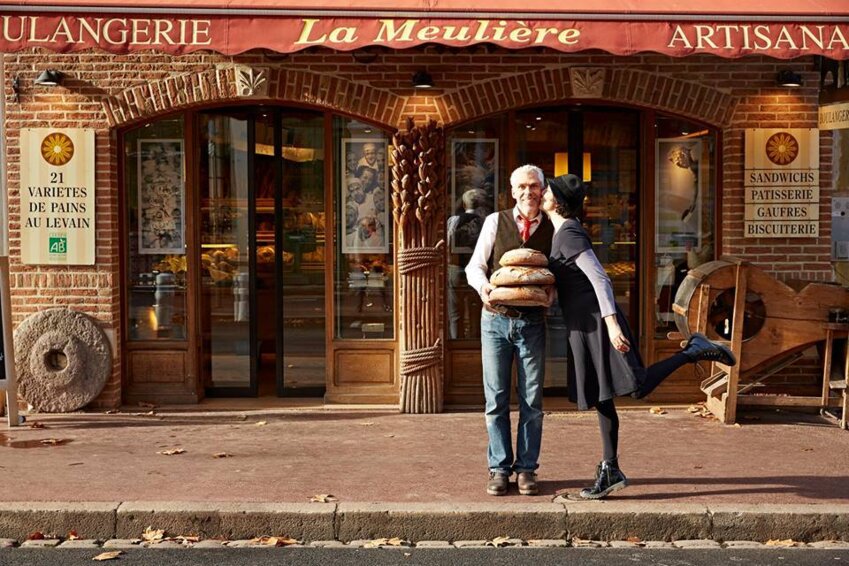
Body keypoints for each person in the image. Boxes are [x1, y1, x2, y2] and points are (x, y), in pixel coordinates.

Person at [543, 174, 737, 500]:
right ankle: (610, 469)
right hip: (584, 327)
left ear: (557, 200)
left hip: (599, 324)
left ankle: (694, 350)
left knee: (638, 386)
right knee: (601, 395)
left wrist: (612, 325)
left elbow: (601, 281)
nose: (544, 192)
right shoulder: (560, 233)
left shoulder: (570, 233)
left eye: (548, 189)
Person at [465, 164, 554, 497]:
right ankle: (500, 468)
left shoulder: (552, 227)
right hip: (496, 320)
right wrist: (484, 289)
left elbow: (558, 268)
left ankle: (527, 469)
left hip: (532, 322)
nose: (528, 192)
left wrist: (552, 292)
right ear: (512, 190)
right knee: (496, 397)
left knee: (532, 399)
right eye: (522, 186)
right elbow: (475, 265)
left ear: (543, 190)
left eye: (534, 186)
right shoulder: (495, 221)